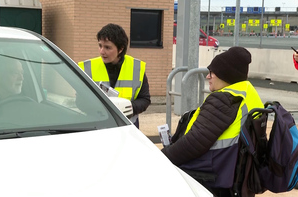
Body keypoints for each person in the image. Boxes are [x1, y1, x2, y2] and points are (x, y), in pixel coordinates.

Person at [161, 47, 263, 196]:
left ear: (225, 75)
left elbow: (194, 143)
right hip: (237, 176)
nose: (208, 77)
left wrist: (162, 158)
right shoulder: (247, 93)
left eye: (212, 73)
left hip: (213, 176)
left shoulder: (224, 100)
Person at [78, 23, 151, 128]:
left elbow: (145, 99)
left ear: (120, 49)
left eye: (107, 47)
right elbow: (80, 101)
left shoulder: (136, 67)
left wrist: (125, 109)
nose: (102, 51)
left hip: (127, 126)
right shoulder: (87, 67)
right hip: (97, 127)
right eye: (100, 46)